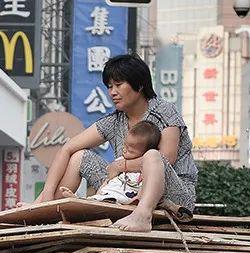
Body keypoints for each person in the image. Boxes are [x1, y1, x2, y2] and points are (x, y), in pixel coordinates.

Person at [33, 54, 197, 232]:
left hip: (173, 195)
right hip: (124, 189)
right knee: (78, 156)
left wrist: (121, 166)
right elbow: (67, 148)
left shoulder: (164, 111)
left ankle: (143, 215)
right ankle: (45, 209)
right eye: (109, 86)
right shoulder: (114, 121)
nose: (112, 92)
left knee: (152, 155)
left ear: (140, 85)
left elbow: (167, 159)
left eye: (118, 85)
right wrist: (46, 194)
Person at [62, 121, 161, 205]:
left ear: (145, 153)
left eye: (131, 151)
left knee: (107, 201)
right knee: (98, 199)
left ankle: (82, 202)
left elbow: (147, 185)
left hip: (126, 198)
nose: (125, 151)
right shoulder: (119, 162)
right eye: (124, 146)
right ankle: (81, 201)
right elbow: (107, 181)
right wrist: (99, 193)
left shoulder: (147, 167)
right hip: (109, 194)